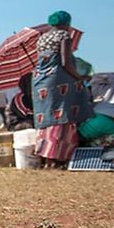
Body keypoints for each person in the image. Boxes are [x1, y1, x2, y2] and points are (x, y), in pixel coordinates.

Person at [31, 11, 93, 167]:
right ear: (67, 24)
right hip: (58, 81)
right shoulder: (64, 36)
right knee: (61, 117)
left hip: (40, 81)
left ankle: (44, 155)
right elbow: (66, 62)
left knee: (46, 117)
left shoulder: (42, 38)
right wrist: (80, 77)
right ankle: (57, 157)